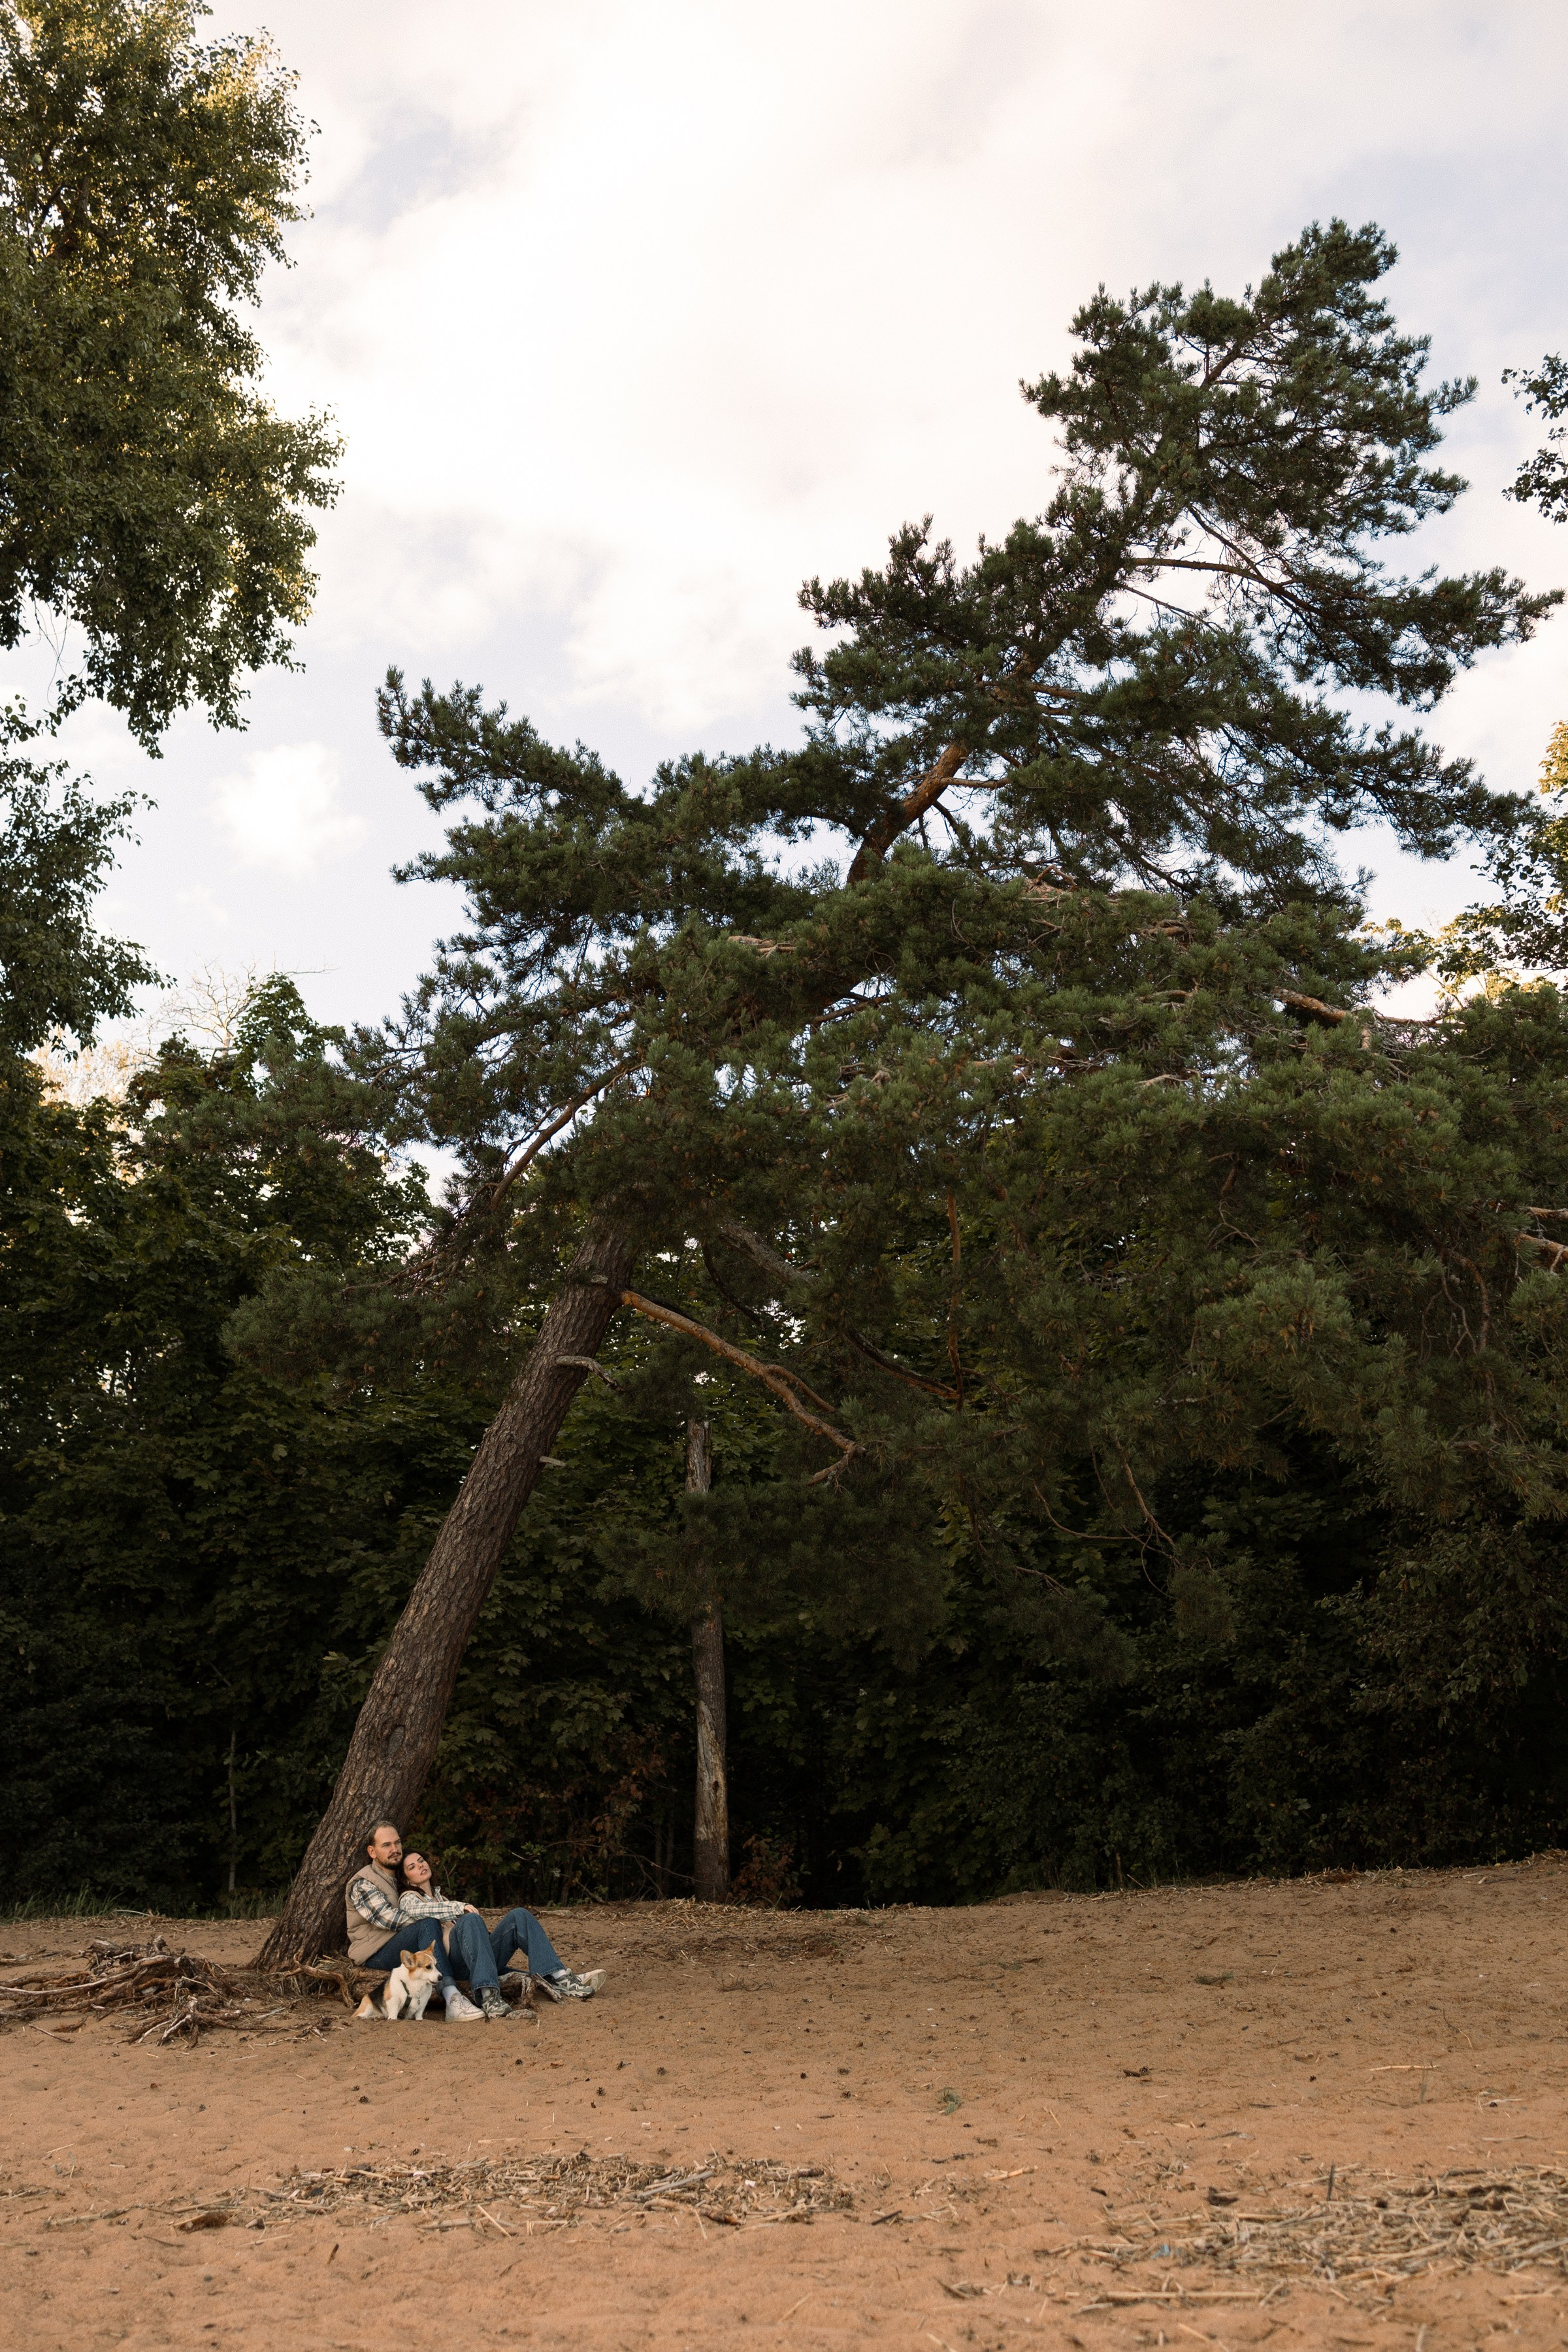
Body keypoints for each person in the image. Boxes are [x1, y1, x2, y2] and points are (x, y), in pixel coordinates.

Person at [345, 1822, 606, 2020]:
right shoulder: (382, 1888)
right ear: (372, 1851)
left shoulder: (435, 1895)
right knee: (441, 1923)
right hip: (380, 1953)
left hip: (459, 1955)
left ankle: (558, 1975)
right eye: (387, 1845)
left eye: (397, 1843)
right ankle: (473, 1996)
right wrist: (452, 1912)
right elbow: (393, 1919)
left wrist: (460, 1924)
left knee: (519, 1916)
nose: (395, 1849)